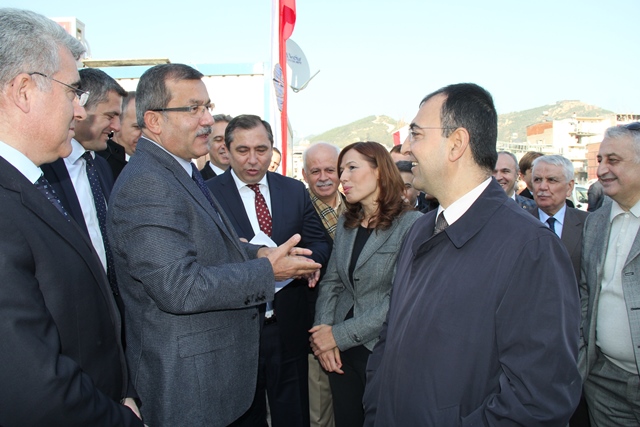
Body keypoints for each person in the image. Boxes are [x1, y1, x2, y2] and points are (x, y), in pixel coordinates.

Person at [107, 64, 321, 427]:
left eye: (207, 106)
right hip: (190, 383)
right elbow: (180, 286)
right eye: (194, 109)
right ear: (155, 121)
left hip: (214, 374)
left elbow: (212, 244)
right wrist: (267, 271)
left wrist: (260, 253)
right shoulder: (149, 183)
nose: (208, 120)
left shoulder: (180, 170)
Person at [362, 83, 581, 426]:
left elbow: (537, 402)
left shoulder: (531, 248)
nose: (406, 147)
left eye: (417, 134)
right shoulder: (420, 229)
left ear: (457, 143)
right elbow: (391, 339)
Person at [0, 8, 142, 425]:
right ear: (25, 89)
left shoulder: (27, 185)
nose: (80, 112)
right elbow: (33, 386)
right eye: (71, 92)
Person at [207, 115, 331, 427]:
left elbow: (320, 241)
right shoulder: (206, 194)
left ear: (272, 149)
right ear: (227, 149)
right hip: (236, 327)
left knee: (294, 413)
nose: (252, 160)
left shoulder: (294, 190)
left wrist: (304, 263)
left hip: (288, 325)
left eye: (261, 150)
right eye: (243, 150)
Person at [311, 142, 421, 427]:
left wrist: (338, 335)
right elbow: (332, 282)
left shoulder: (412, 225)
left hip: (381, 350)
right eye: (341, 170)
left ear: (380, 172)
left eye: (351, 168)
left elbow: (401, 298)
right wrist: (325, 337)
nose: (342, 178)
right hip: (339, 355)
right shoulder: (349, 223)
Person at [41, 68, 126, 312]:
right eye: (110, 115)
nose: (117, 126)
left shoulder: (101, 166)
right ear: (79, 107)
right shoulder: (43, 170)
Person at [580, 122, 640, 426]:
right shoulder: (596, 222)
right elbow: (587, 293)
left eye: (613, 160)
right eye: (600, 160)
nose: (602, 170)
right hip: (604, 383)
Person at [302, 141, 344, 427]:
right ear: (304, 175)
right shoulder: (295, 208)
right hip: (315, 328)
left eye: (330, 169)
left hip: (354, 328)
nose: (323, 177)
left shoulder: (358, 205)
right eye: (315, 171)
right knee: (320, 413)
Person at [530, 155, 589, 278]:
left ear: (569, 187)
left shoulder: (588, 223)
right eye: (537, 180)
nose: (542, 187)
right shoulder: (519, 223)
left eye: (551, 180)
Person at [98, 91, 141, 179]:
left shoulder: (158, 164)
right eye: (137, 127)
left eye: (149, 128)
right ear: (117, 123)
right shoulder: (98, 164)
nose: (145, 135)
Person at [200, 113, 232, 180]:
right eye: (218, 139)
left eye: (228, 139)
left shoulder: (249, 179)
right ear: (207, 142)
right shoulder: (198, 182)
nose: (225, 145)